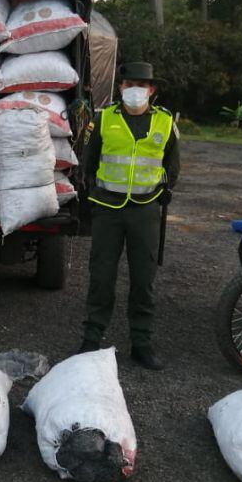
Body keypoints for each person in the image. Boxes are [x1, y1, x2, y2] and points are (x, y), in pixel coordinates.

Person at [78, 62, 180, 370]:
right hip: (108, 210)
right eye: (128, 83)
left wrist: (162, 193)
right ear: (120, 87)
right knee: (101, 276)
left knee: (143, 280)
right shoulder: (104, 118)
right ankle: (91, 339)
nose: (135, 90)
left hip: (145, 211)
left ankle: (141, 343)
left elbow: (172, 165)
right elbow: (90, 160)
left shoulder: (165, 123)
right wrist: (94, 195)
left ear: (152, 90)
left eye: (141, 84)